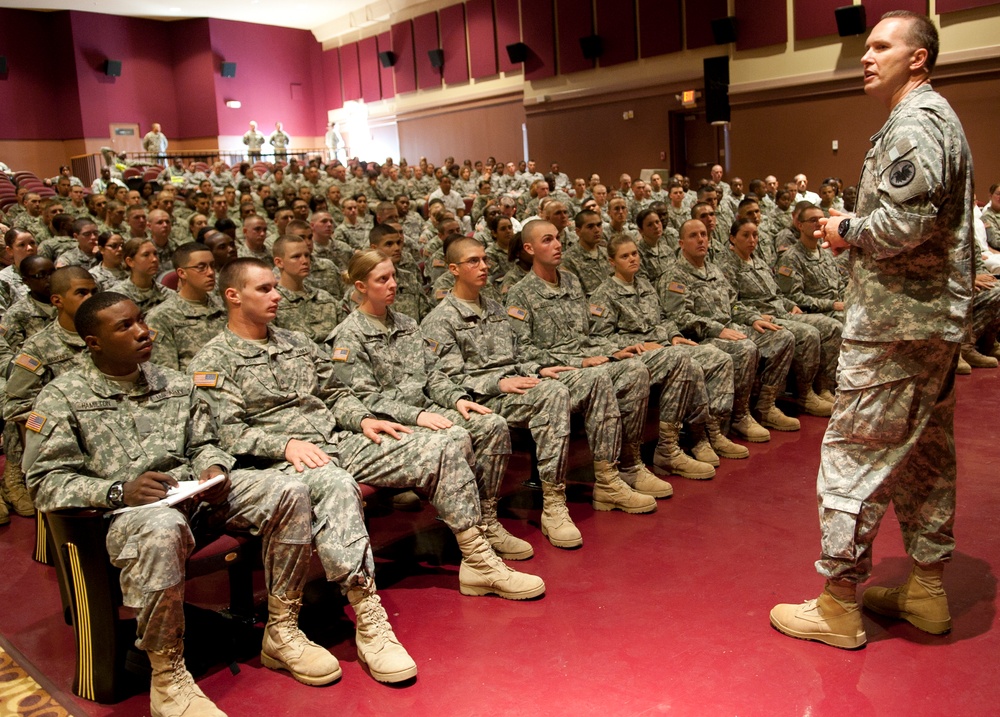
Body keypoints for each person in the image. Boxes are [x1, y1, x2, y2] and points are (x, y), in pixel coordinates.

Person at [24, 292, 340, 716]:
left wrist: (212, 469)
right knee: (161, 527)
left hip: (193, 499)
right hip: (127, 516)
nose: (142, 331)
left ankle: (282, 630)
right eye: (125, 326)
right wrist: (118, 491)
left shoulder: (171, 381)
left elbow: (206, 441)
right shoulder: (62, 398)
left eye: (141, 319)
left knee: (288, 491)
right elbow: (45, 481)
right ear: (93, 342)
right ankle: (168, 674)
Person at [770, 11, 974, 649]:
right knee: (922, 456)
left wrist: (845, 229)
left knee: (853, 455)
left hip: (894, 325)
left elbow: (905, 226)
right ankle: (926, 589)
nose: (867, 56)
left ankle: (837, 602)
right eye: (865, 47)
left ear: (918, 58)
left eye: (881, 46)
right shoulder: (934, 118)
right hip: (927, 323)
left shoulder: (915, 123)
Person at [189, 258, 545, 604]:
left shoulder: (295, 342)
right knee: (337, 484)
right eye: (264, 289)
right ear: (234, 295)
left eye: (275, 288)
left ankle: (478, 560)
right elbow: (228, 432)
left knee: (440, 447)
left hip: (337, 441)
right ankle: (364, 603)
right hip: (282, 463)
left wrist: (361, 419)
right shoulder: (213, 360)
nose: (276, 295)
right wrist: (284, 445)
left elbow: (334, 393)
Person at [328, 250, 531, 559]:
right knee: (455, 436)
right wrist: (418, 415)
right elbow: (365, 399)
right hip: (390, 421)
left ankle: (486, 519)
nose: (393, 284)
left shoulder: (407, 324)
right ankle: (469, 532)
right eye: (382, 279)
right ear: (361, 287)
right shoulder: (349, 335)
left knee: (491, 425)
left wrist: (458, 399)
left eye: (394, 276)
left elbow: (433, 374)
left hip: (424, 408)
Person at [505, 220, 664, 513]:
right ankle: (607, 480)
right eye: (548, 240)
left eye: (558, 239)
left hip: (586, 361)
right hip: (558, 372)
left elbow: (586, 337)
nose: (557, 245)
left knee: (635, 369)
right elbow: (521, 352)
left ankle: (629, 463)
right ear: (529, 248)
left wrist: (614, 350)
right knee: (597, 377)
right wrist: (577, 362)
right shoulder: (520, 293)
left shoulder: (571, 281)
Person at [590, 235, 748, 468]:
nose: (632, 258)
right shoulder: (604, 294)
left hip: (664, 346)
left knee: (718, 357)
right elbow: (600, 337)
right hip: (636, 354)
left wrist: (674, 335)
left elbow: (663, 317)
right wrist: (641, 345)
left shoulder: (643, 284)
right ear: (611, 262)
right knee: (685, 361)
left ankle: (709, 432)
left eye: (634, 253)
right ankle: (669, 446)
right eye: (625, 256)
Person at [146, 243, 227, 370]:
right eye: (201, 267)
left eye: (212, 265)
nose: (211, 272)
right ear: (182, 273)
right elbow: (165, 373)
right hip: (192, 386)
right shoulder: (161, 317)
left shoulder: (225, 306)